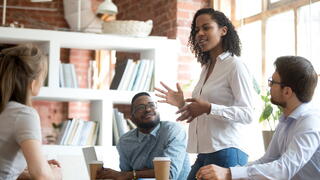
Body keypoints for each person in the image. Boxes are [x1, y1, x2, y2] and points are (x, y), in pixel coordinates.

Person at [155, 8, 254, 180]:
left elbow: (248, 114)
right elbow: (203, 111)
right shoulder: (206, 67)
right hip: (205, 153)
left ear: (223, 30)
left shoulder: (234, 65)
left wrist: (209, 108)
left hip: (227, 151)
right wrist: (181, 104)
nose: (200, 33)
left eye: (206, 28)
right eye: (196, 30)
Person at [196, 56, 320, 180]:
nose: (269, 86)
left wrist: (229, 174)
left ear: (287, 92)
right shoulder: (286, 119)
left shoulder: (310, 122)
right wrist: (230, 172)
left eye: (272, 82)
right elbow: (267, 160)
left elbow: (284, 169)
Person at [0, 44, 62, 180]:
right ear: (33, 83)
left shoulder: (6, 110)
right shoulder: (24, 114)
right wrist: (55, 175)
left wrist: (25, 174)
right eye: (42, 77)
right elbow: (42, 177)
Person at [96, 92, 190, 180]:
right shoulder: (125, 141)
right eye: (140, 108)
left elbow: (168, 174)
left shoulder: (173, 130)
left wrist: (133, 174)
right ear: (132, 117)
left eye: (151, 105)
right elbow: (125, 176)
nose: (148, 109)